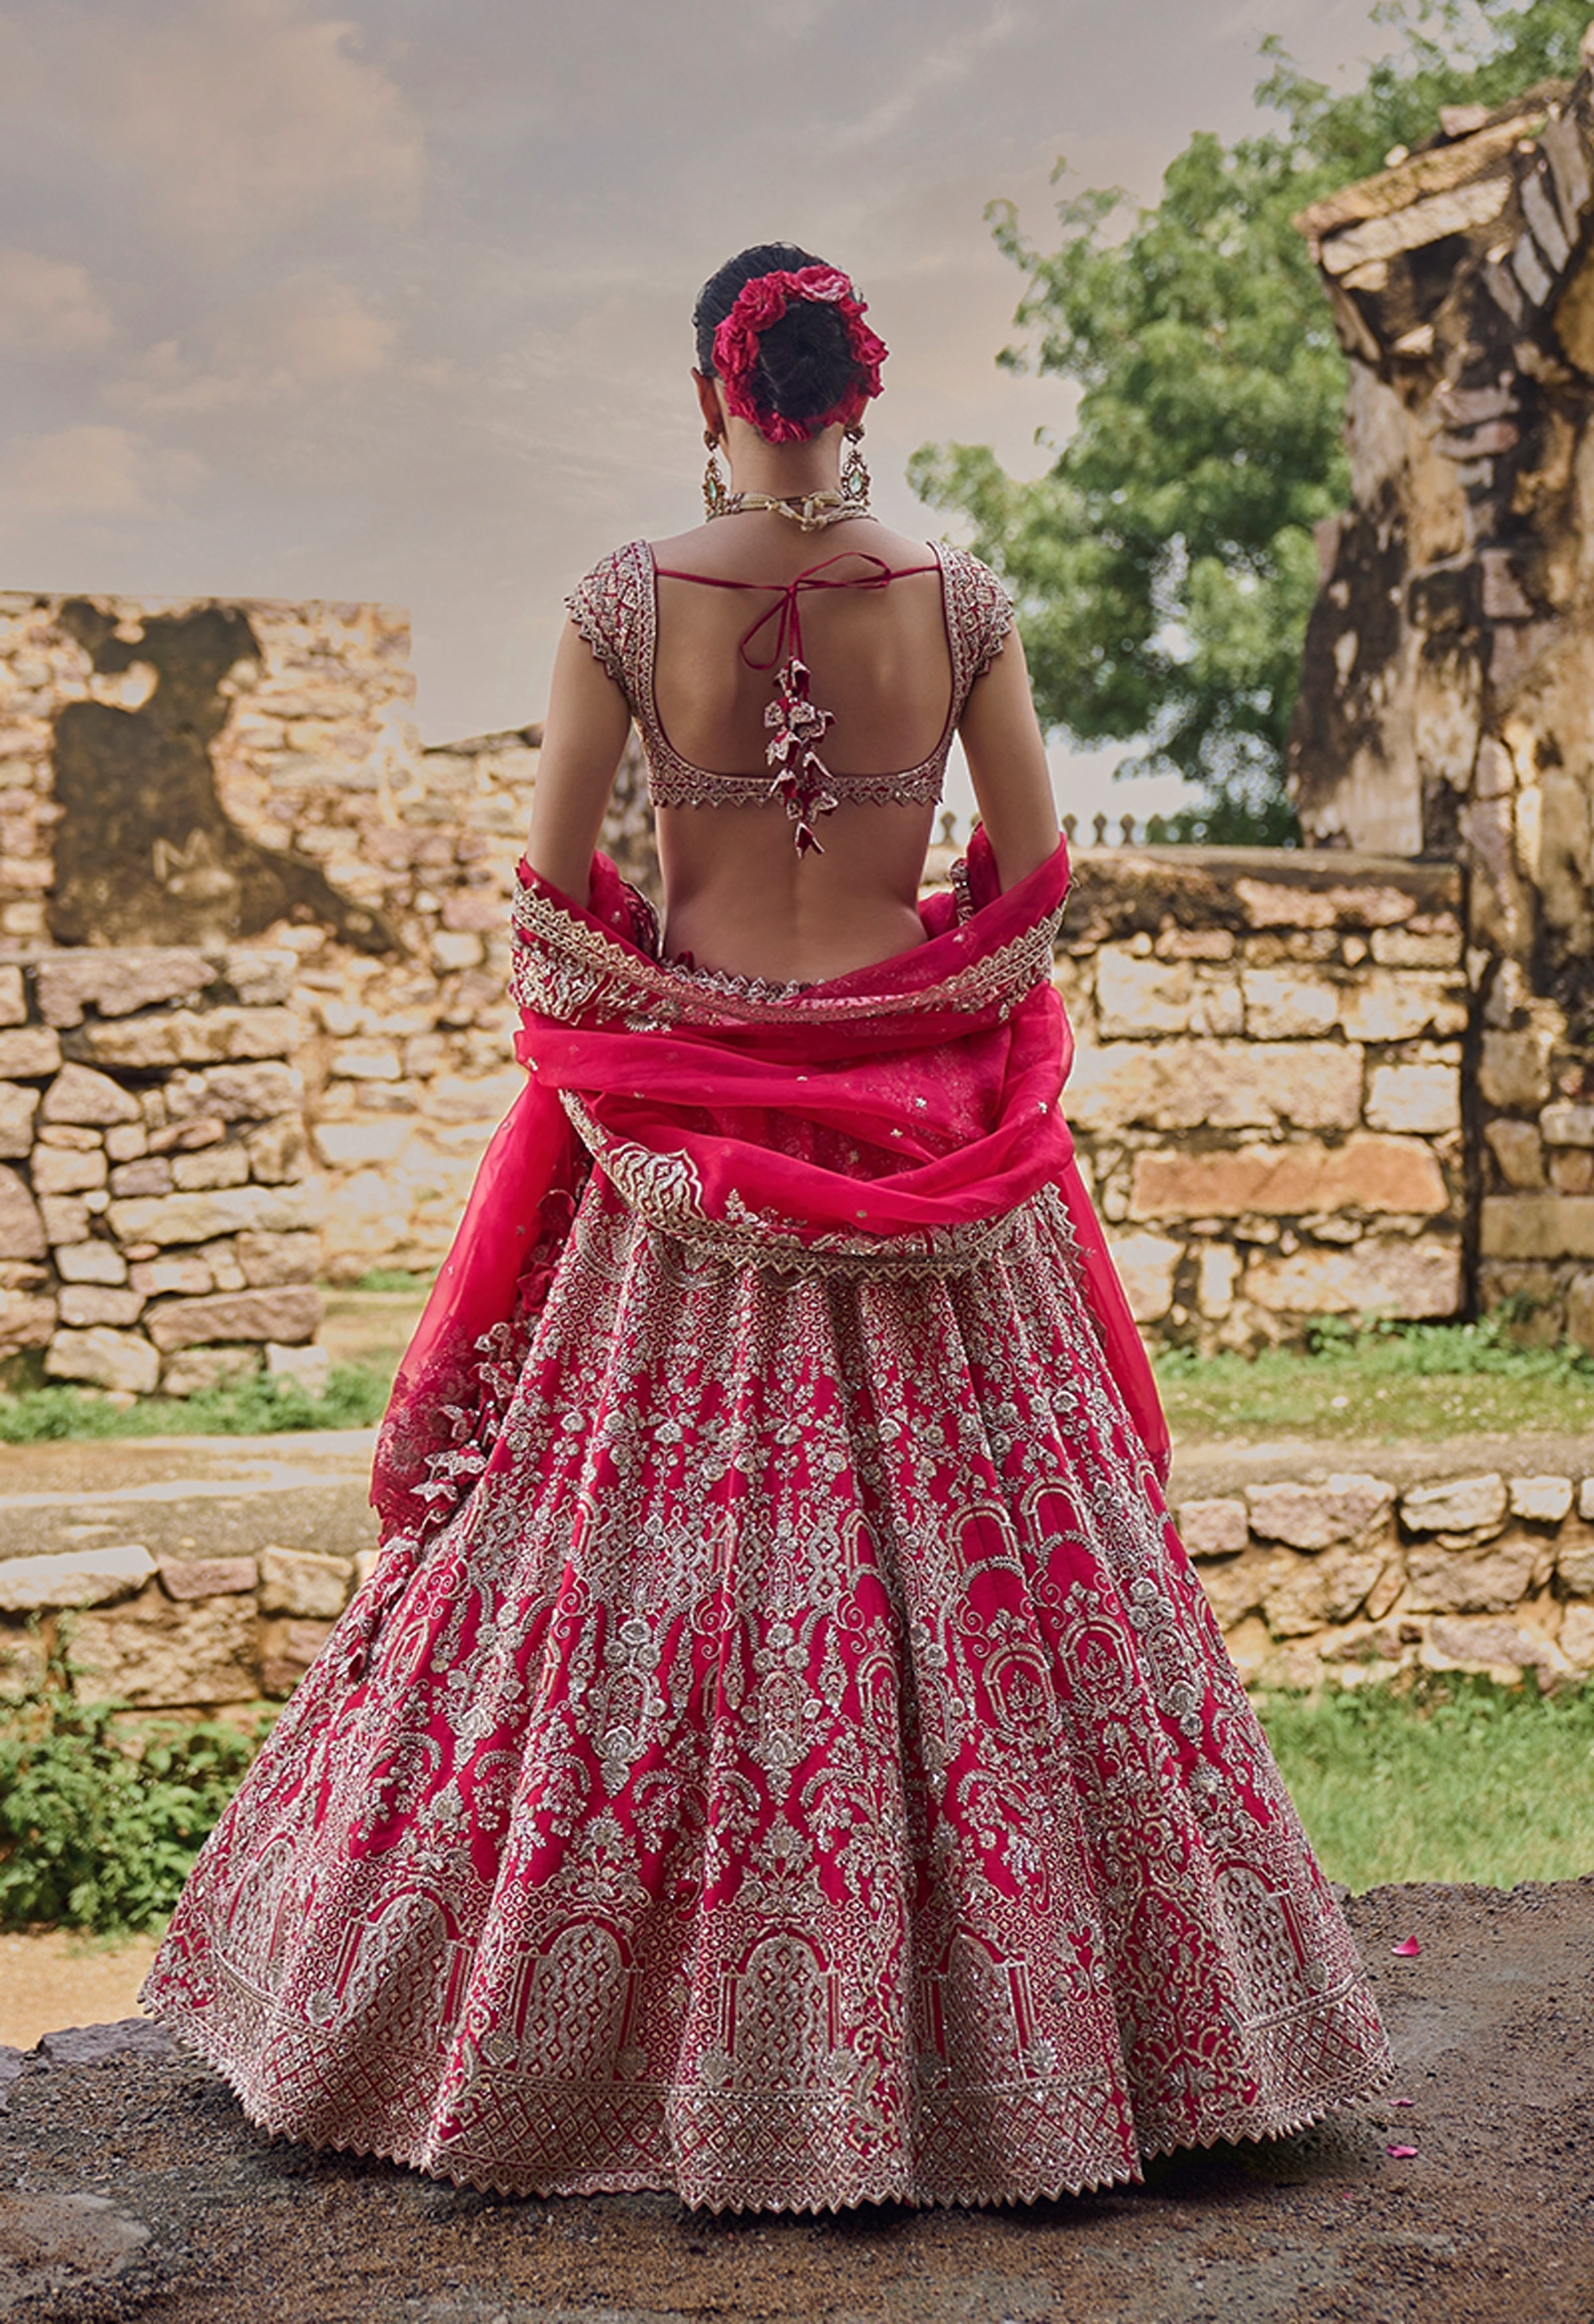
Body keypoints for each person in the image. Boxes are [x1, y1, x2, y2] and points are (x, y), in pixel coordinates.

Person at [144, 244, 1392, 2212]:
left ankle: (538, 2049)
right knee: (1020, 1610)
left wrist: (679, 1022)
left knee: (610, 1600)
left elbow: (553, 902)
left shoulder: (623, 601)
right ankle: (1060, 2069)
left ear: (708, 395)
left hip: (685, 1164)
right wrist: (923, 1000)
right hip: (939, 1162)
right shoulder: (961, 602)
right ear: (854, 390)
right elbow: (1041, 884)